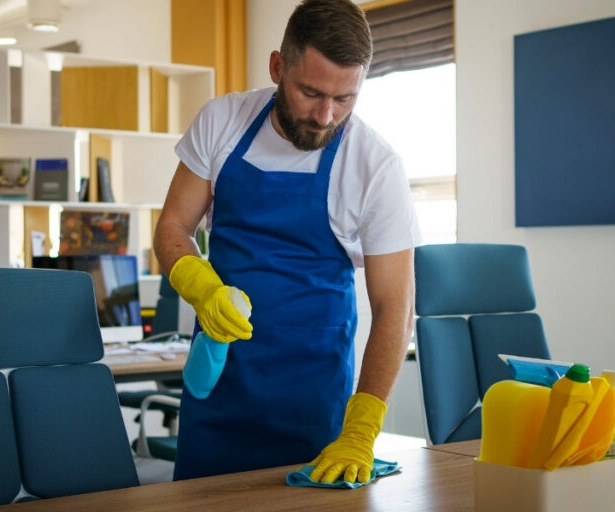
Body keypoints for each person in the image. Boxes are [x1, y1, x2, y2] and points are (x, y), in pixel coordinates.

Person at [154, 0, 422, 483]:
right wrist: (202, 287)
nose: (325, 115)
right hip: (218, 391)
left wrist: (361, 430)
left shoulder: (375, 166)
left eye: (345, 99)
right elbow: (173, 227)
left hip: (314, 408)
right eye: (310, 92)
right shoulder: (222, 121)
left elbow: (396, 309)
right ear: (278, 66)